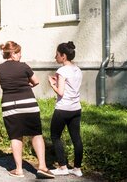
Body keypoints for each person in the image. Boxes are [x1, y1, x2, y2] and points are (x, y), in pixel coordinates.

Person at [0, 41, 54, 179]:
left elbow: (6, 84)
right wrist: (26, 84)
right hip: (28, 103)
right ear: (13, 53)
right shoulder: (24, 66)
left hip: (9, 105)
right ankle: (42, 167)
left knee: (15, 136)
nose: (21, 55)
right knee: (36, 134)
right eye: (19, 52)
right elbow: (36, 81)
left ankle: (19, 170)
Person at [48, 41, 84, 177]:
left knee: (55, 136)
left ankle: (62, 167)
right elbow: (71, 86)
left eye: (57, 54)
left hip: (63, 109)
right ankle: (77, 168)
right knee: (76, 138)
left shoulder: (62, 70)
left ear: (63, 56)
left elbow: (61, 92)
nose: (55, 57)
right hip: (76, 108)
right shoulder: (77, 69)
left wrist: (52, 84)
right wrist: (57, 81)